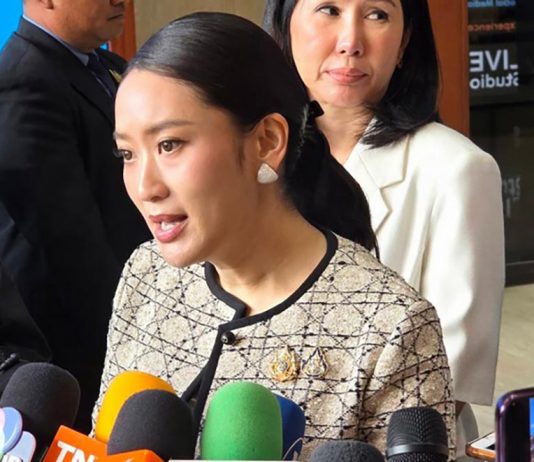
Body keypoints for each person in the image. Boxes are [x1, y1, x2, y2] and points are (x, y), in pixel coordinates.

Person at [95, 12, 456, 459]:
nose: (145, 186)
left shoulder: (392, 328)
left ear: (266, 141)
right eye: (127, 154)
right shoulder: (146, 274)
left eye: (169, 145)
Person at [263, 0, 505, 456]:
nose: (351, 41)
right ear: (284, 22)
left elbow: (449, 374)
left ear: (405, 40)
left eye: (377, 14)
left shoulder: (458, 169)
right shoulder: (253, 156)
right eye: (329, 9)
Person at [0, 0, 150, 430]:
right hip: (78, 347)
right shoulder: (23, 79)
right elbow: (68, 241)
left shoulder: (103, 65)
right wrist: (141, 327)